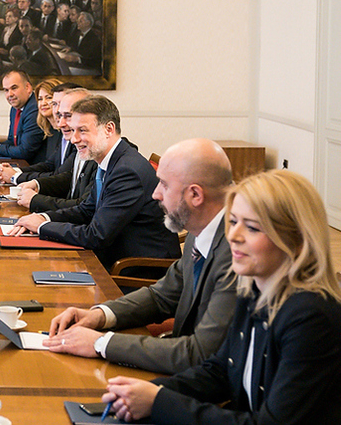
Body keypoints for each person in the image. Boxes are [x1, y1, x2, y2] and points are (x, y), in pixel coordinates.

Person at [100, 170, 341, 425]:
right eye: (233, 221)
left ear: (296, 241)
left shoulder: (311, 317)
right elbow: (221, 371)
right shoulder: (254, 291)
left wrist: (159, 402)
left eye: (252, 227)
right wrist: (149, 392)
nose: (234, 236)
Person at [45, 139, 238, 374]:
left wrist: (100, 343)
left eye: (164, 185)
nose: (155, 194)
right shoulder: (202, 232)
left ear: (195, 195)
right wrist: (100, 315)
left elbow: (199, 354)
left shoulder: (236, 255)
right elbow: (161, 297)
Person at [14, 95, 181, 270]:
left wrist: (43, 227)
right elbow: (86, 209)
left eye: (83, 130)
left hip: (136, 270)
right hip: (112, 256)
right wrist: (43, 217)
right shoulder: (108, 160)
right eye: (73, 130)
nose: (74, 139)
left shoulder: (127, 170)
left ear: (109, 129)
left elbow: (96, 235)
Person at [0, 69, 46, 163]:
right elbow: (12, 141)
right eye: (6, 90)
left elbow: (25, 151)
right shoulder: (15, 109)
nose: (10, 94)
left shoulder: (34, 109)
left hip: (35, 168)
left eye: (14, 88)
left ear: (28, 87)